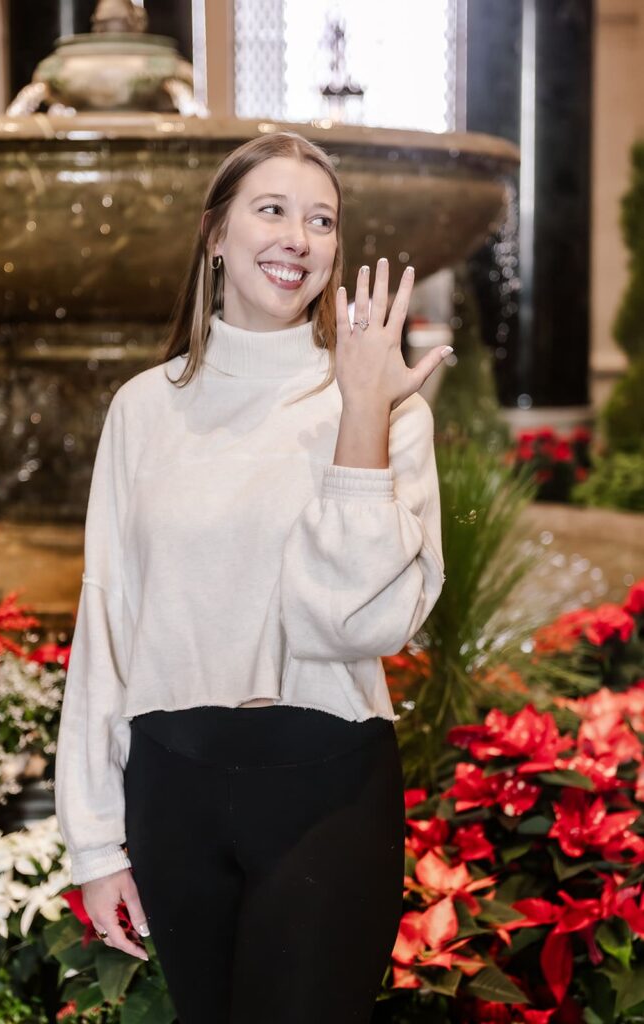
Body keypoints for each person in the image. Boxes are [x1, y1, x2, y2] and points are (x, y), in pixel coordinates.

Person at [54, 130, 448, 1024]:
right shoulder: (144, 409)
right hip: (171, 786)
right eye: (272, 209)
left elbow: (354, 628)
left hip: (325, 788)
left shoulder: (386, 409)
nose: (297, 238)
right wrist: (94, 842)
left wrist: (361, 417)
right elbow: (104, 621)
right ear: (216, 234)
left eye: (321, 220)